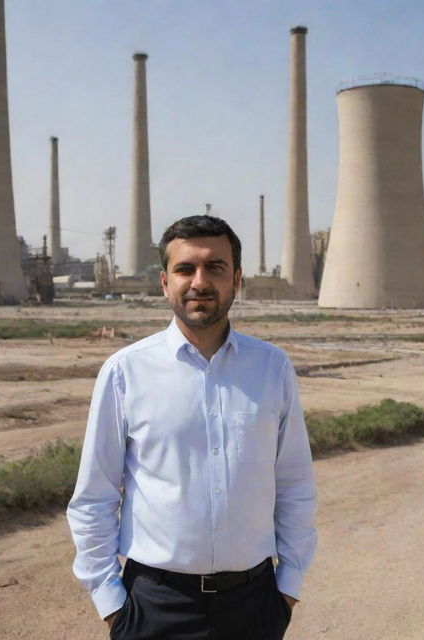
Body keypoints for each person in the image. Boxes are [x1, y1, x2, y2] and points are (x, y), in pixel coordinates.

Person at [67, 215, 317, 639]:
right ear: (165, 282)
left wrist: (286, 592)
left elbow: (294, 486)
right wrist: (113, 607)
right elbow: (94, 497)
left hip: (254, 606)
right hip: (156, 606)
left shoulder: (271, 368)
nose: (199, 281)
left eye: (215, 268)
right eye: (185, 269)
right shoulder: (126, 372)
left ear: (236, 279)